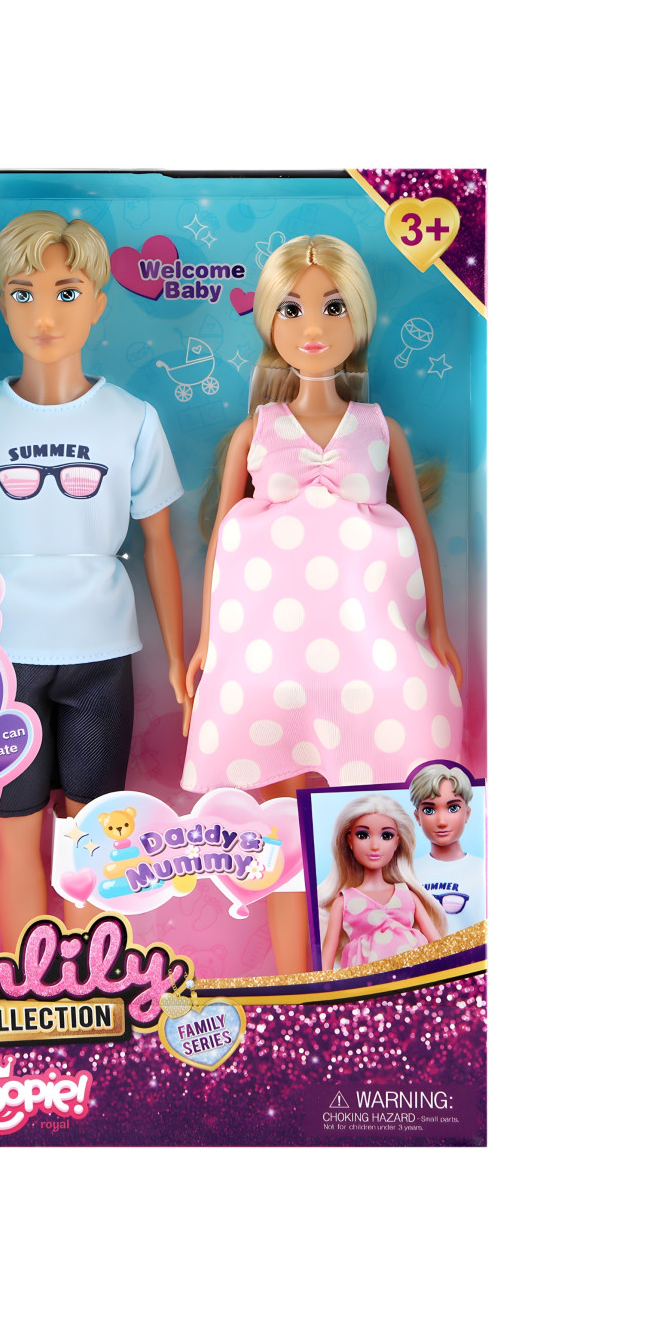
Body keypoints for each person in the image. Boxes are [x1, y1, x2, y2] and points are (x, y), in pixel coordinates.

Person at [183, 233, 463, 971]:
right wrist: (207, 643)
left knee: (370, 819)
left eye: (333, 308)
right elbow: (222, 543)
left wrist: (437, 627)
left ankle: (373, 975)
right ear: (269, 321)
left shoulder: (379, 430)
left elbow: (419, 534)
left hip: (366, 655)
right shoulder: (256, 432)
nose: (313, 327)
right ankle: (291, 978)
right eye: (293, 308)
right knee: (278, 833)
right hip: (268, 659)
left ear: (358, 317)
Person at [0, 211, 188, 948]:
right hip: (2, 656)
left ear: (99, 303)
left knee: (93, 839)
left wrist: (179, 659)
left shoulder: (132, 419)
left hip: (100, 652)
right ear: (2, 302)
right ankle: (23, 986)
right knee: (15, 830)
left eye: (67, 292)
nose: (44, 315)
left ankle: (90, 988)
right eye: (24, 293)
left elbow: (160, 544)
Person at [319, 793, 446, 971]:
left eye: (386, 836)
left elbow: (438, 945)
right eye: (363, 835)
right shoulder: (344, 902)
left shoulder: (408, 896)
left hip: (414, 977)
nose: (374, 846)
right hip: (368, 982)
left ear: (397, 842)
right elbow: (327, 960)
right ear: (350, 841)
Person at [409, 763, 485, 932]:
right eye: (429, 810)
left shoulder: (483, 870)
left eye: (453, 808)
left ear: (467, 813)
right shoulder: (406, 873)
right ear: (417, 817)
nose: (442, 821)